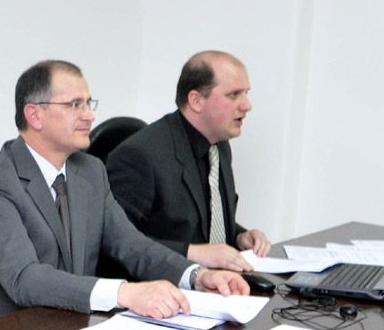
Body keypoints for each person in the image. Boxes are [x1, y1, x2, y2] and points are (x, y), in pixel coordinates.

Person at [0, 60, 249, 328]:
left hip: (66, 329)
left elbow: (131, 244)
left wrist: (197, 275)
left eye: (88, 103)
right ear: (35, 115)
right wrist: (125, 292)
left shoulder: (90, 171)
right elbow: (25, 279)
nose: (89, 116)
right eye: (75, 105)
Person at [106, 50, 270, 274]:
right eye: (233, 95)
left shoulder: (219, 146)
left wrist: (239, 236)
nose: (247, 105)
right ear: (196, 100)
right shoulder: (139, 156)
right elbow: (116, 244)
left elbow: (202, 224)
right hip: (161, 286)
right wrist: (192, 252)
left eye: (246, 93)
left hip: (216, 283)